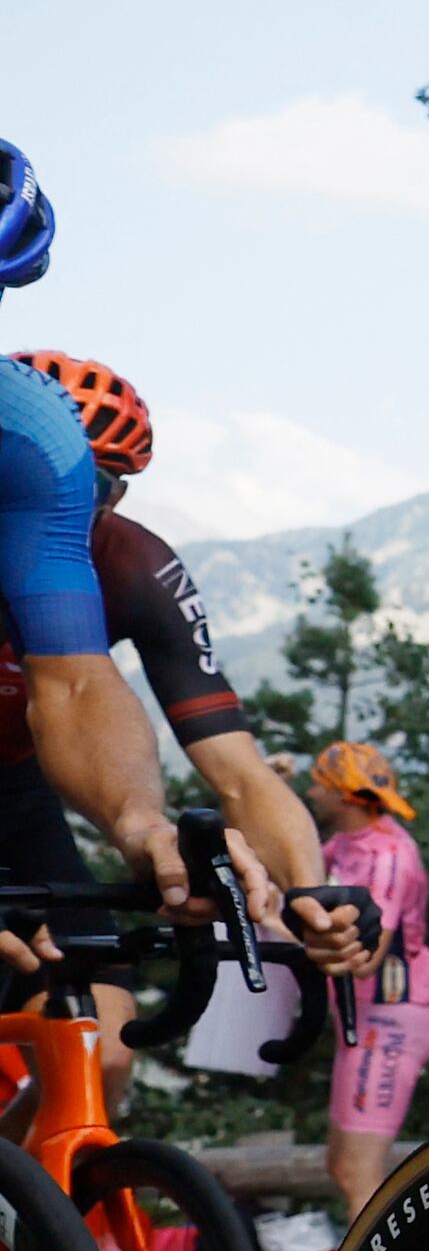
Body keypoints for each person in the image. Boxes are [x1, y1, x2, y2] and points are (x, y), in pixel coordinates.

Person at [0, 351, 356, 1050]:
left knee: (97, 1051)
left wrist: (307, 897)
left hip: (19, 792)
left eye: (97, 483)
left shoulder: (132, 567)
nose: (78, 501)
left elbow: (237, 771)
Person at [306, 741, 429, 1218]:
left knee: (360, 1173)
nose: (310, 791)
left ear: (342, 794)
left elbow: (363, 956)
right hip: (362, 1020)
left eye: (317, 782)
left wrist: (300, 939)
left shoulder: (390, 855)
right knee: (341, 1166)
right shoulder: (343, 844)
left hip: (390, 1020)